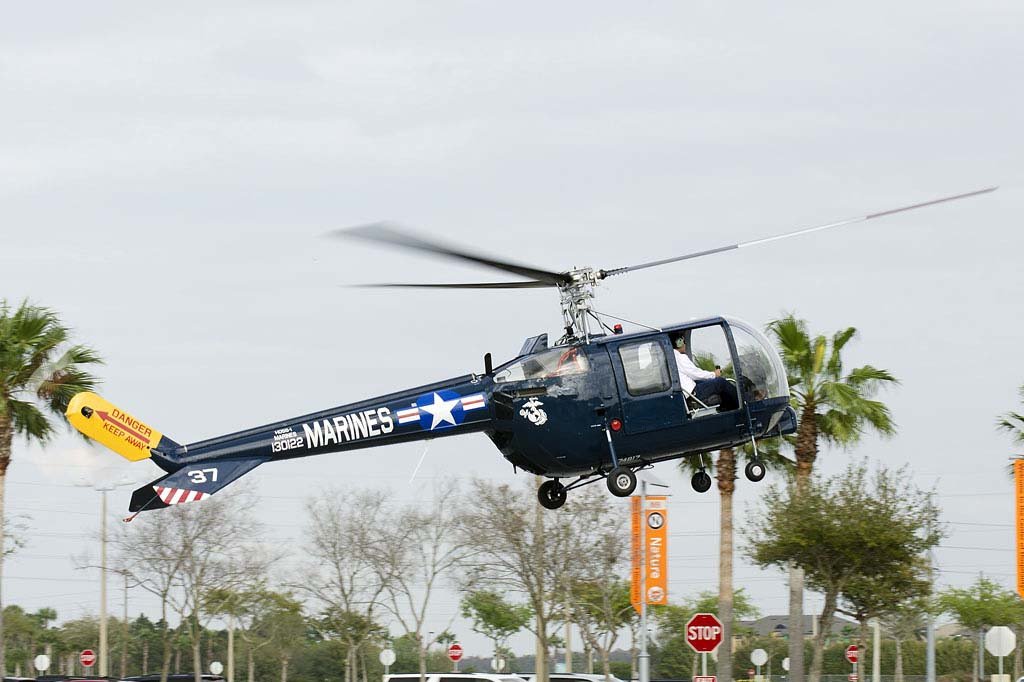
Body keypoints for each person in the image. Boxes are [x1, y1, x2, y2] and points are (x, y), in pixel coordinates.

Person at [672, 337, 739, 411]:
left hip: (688, 391)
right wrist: (714, 374)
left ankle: (725, 408)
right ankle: (742, 404)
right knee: (721, 382)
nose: (685, 344)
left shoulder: (671, 357)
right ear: (679, 343)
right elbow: (695, 373)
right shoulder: (678, 357)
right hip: (693, 394)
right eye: (683, 342)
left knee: (712, 382)